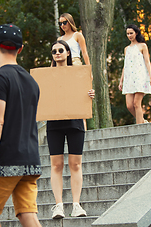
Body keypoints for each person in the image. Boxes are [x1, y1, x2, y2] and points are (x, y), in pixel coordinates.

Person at [0, 24, 42, 227]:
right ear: (20, 49)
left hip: (7, 161)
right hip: (30, 160)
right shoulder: (32, 82)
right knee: (27, 214)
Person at [48, 40, 95, 219]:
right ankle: (58, 205)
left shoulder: (79, 73)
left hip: (75, 122)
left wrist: (89, 94)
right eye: (54, 51)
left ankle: (76, 205)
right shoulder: (47, 76)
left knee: (75, 164)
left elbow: (85, 95)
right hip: (54, 123)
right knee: (56, 164)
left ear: (68, 52)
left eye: (61, 50)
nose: (57, 53)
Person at [118, 24, 151, 124]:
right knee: (129, 105)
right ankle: (143, 121)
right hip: (129, 79)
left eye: (131, 33)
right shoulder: (126, 49)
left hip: (140, 77)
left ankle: (140, 128)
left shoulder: (143, 46)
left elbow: (147, 62)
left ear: (136, 33)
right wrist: (121, 81)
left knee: (136, 103)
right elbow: (125, 66)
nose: (129, 35)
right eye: (127, 34)